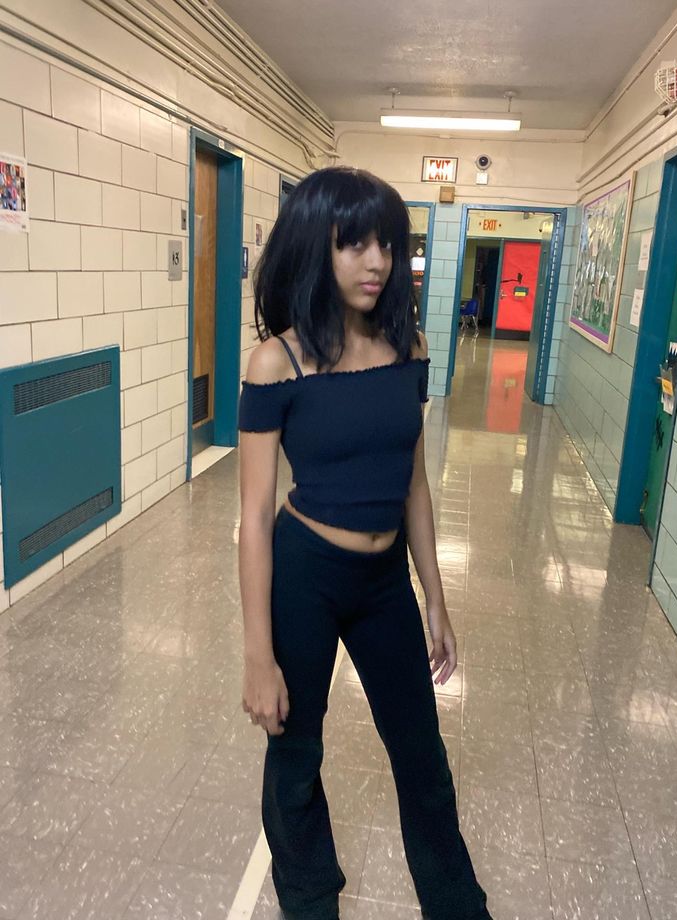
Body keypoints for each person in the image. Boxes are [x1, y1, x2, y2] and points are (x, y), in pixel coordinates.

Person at [237, 166, 492, 920]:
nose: (377, 261)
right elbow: (253, 516)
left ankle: (457, 905)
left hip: (384, 584)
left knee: (422, 757)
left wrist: (434, 597)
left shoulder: (406, 347)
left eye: (386, 243)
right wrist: (258, 656)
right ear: (318, 247)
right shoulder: (275, 363)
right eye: (355, 244)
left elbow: (413, 483)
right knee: (295, 756)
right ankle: (310, 901)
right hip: (305, 574)